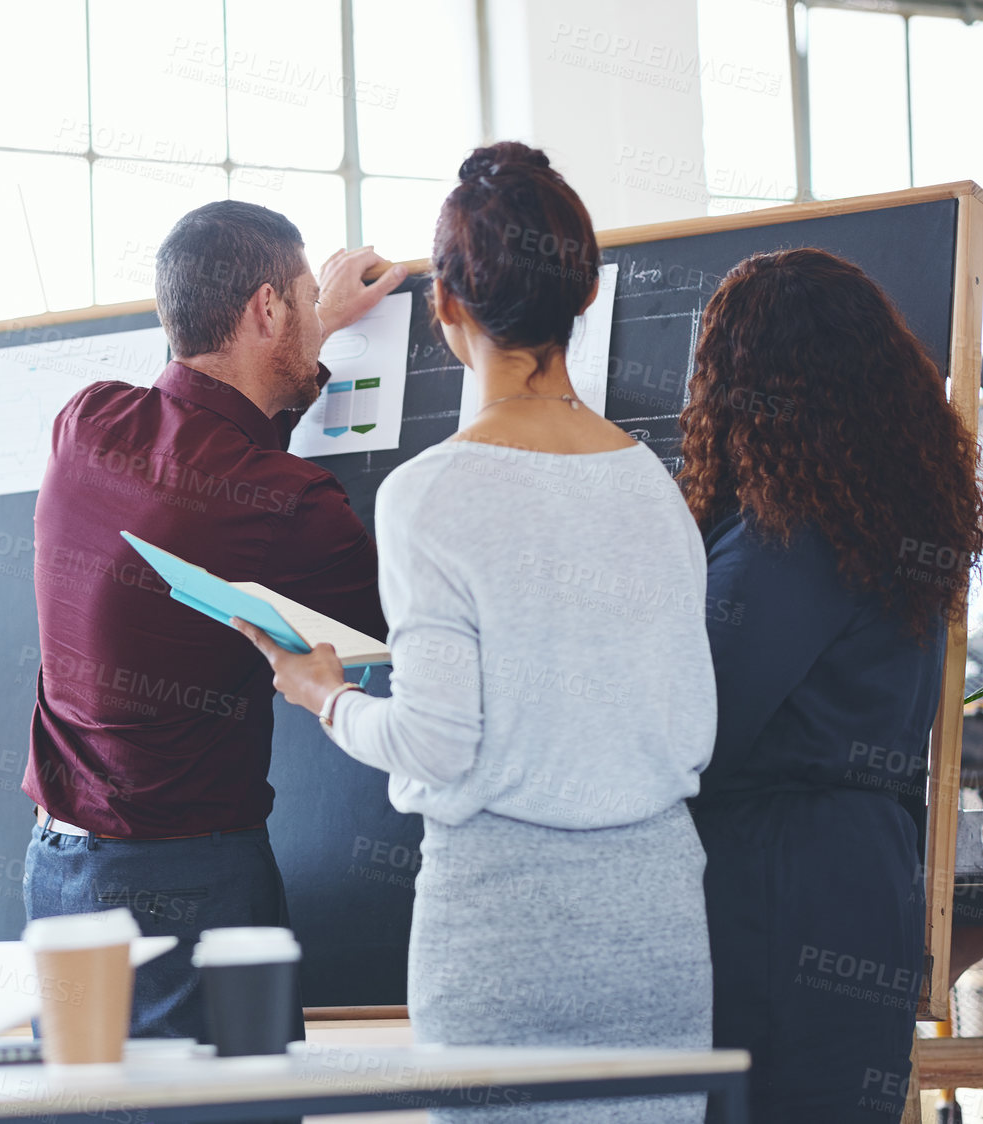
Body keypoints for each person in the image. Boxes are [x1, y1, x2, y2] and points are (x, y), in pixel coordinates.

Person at [238, 142, 716, 1123]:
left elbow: (433, 739)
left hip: (507, 928)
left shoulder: (430, 495)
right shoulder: (655, 488)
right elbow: (689, 723)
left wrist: (323, 694)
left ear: (445, 305)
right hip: (658, 918)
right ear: (581, 299)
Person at [23, 198, 402, 1039]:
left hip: (55, 877)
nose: (313, 316)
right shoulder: (290, 505)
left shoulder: (83, 423)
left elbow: (217, 467)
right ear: (267, 310)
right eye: (302, 302)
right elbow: (415, 637)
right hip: (190, 890)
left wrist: (308, 333)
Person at [679, 248, 982, 1122]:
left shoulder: (782, 534)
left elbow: (696, 727)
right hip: (862, 873)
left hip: (774, 882)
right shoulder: (881, 516)